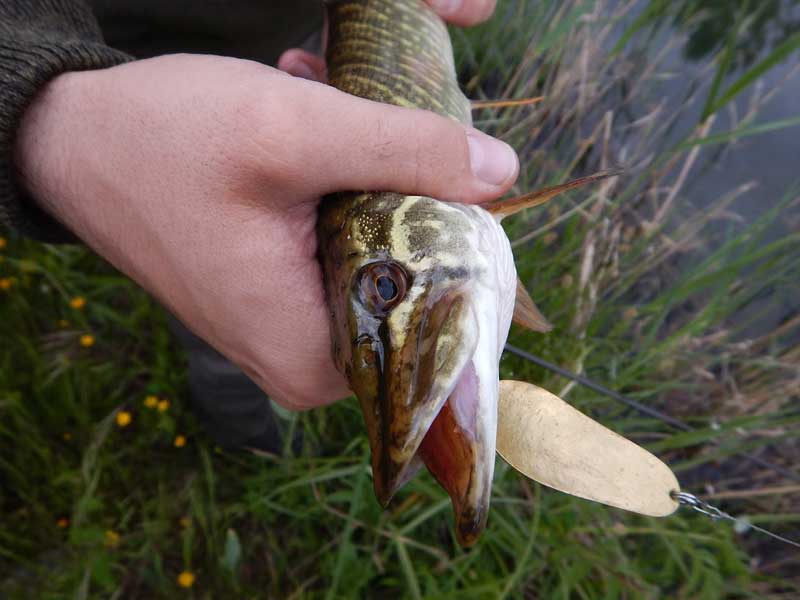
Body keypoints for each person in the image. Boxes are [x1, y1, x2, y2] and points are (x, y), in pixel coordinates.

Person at [0, 0, 519, 450]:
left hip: (297, 33)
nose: (386, 291)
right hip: (121, 63)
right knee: (217, 328)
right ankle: (243, 436)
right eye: (386, 286)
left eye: (385, 285)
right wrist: (49, 115)